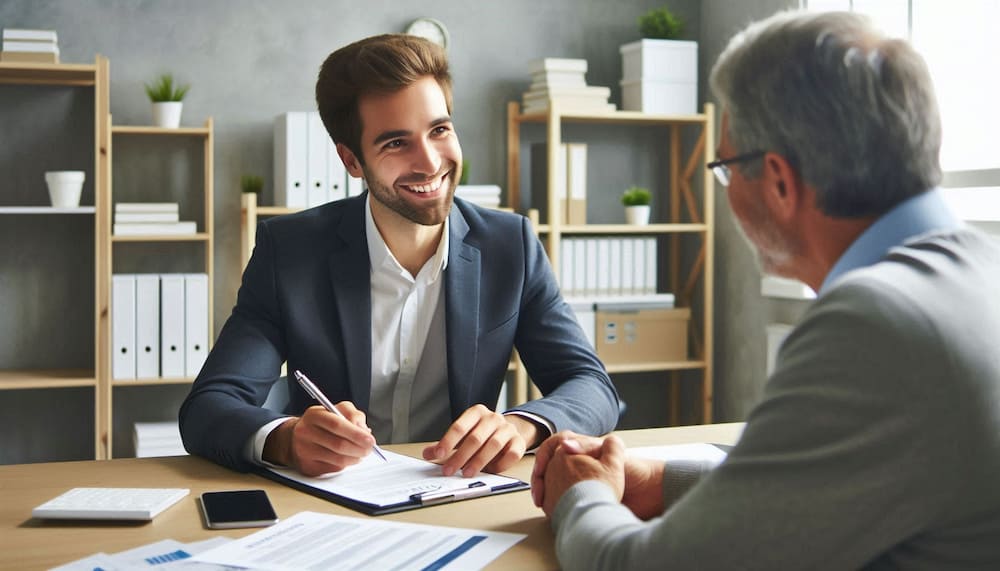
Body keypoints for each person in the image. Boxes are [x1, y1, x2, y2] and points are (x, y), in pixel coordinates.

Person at [531, 10, 1000, 570]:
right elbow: (834, 474)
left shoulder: (876, 323)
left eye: (727, 167)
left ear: (778, 181)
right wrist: (661, 479)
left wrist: (579, 494)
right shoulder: (978, 273)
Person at [179, 34, 619, 478]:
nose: (429, 163)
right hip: (333, 505)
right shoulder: (290, 252)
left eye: (439, 130)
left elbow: (592, 386)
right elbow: (208, 407)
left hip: (457, 492)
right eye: (395, 143)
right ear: (352, 160)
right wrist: (285, 440)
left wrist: (521, 426)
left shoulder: (511, 245)